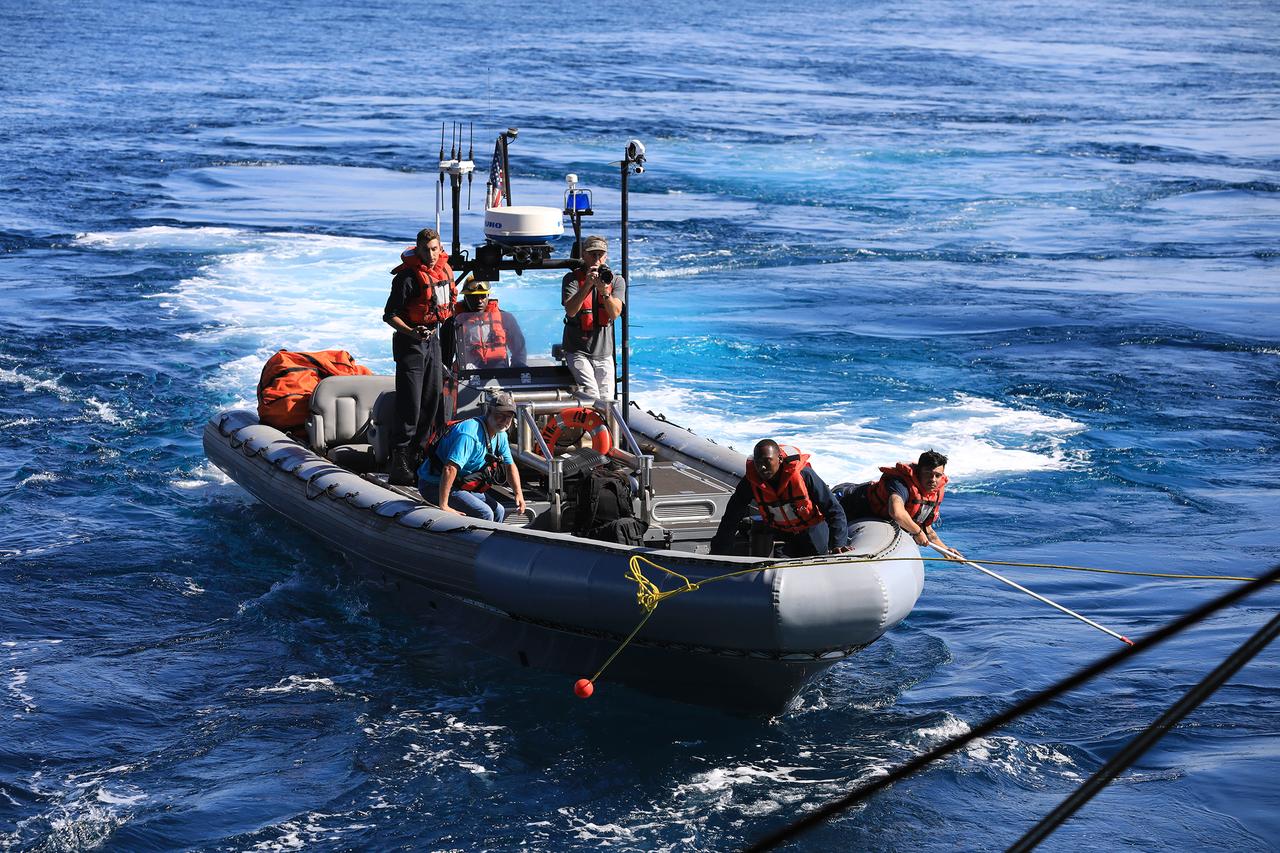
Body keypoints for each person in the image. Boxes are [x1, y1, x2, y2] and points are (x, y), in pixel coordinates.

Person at [383, 228, 456, 485]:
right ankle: (399, 459)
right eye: (426, 249)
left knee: (431, 400)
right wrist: (411, 332)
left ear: (440, 247)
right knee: (410, 403)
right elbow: (389, 315)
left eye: (435, 249)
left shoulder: (444, 273)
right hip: (410, 344)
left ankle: (420, 454)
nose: (431, 254)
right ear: (417, 249)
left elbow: (448, 311)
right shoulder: (406, 278)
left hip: (433, 340)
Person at [710, 440, 849, 558]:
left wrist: (838, 545)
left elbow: (834, 511)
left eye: (767, 461)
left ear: (780, 460)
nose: (762, 467)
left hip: (811, 529)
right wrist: (718, 551)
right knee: (772, 556)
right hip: (781, 533)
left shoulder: (804, 475)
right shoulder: (751, 482)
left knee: (816, 558)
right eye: (758, 463)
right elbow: (731, 517)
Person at [418, 391, 527, 521]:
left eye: (509, 417)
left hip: (459, 484)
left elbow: (510, 466)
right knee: (485, 513)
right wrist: (444, 505)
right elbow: (450, 468)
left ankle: (490, 540)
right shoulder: (470, 434)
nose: (505, 421)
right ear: (489, 412)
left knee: (499, 510)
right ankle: (475, 541)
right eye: (500, 415)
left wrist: (518, 494)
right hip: (433, 484)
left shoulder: (501, 434)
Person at [835, 449, 962, 559]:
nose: (933, 480)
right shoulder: (901, 484)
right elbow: (896, 512)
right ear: (918, 472)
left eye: (937, 475)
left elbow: (927, 531)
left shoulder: (934, 492)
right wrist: (917, 533)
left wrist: (946, 551)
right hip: (844, 501)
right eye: (928, 474)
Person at [561, 235, 625, 400]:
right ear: (584, 255)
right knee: (592, 395)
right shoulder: (572, 279)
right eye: (593, 254)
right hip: (577, 351)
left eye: (600, 254)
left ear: (606, 256)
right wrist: (588, 285)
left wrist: (604, 291)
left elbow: (615, 313)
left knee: (607, 400)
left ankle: (606, 426)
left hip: (604, 352)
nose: (597, 259)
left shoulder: (616, 281)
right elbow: (571, 311)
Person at [444, 277, 528, 370]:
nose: (479, 301)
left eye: (482, 296)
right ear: (465, 298)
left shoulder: (505, 318)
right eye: (473, 297)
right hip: (466, 375)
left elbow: (519, 348)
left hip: (500, 373)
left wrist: (517, 369)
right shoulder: (453, 322)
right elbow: (445, 356)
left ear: (488, 296)